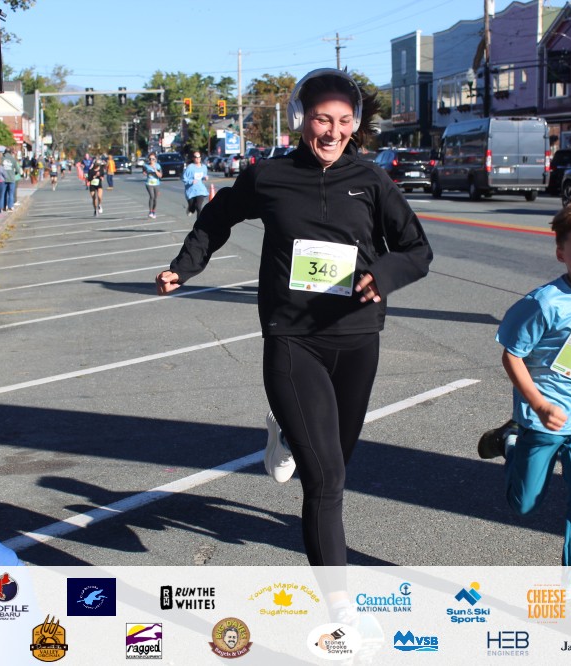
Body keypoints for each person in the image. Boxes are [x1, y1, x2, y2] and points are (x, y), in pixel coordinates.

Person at [155, 69, 432, 568]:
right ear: (301, 118)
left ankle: (285, 432)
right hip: (292, 337)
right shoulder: (269, 176)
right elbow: (217, 218)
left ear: (355, 123)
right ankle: (338, 605)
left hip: (357, 337)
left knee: (335, 464)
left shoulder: (370, 180)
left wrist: (384, 274)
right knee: (326, 481)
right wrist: (184, 266)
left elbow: (416, 249)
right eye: (323, 119)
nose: (333, 132)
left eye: (343, 121)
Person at [478, 198, 571, 572]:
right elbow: (512, 356)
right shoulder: (544, 303)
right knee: (524, 505)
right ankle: (511, 442)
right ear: (561, 253)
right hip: (544, 421)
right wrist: (540, 405)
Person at [182, 151, 209, 218]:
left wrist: (205, 177)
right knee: (192, 208)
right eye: (196, 157)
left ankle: (199, 223)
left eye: (199, 157)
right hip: (191, 190)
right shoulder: (190, 167)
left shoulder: (204, 167)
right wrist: (191, 181)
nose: (197, 158)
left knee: (199, 207)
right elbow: (184, 178)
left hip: (200, 190)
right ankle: (191, 209)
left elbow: (204, 176)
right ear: (193, 158)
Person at [143, 152, 162, 218]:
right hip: (149, 184)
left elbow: (160, 175)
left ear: (155, 159)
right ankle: (150, 212)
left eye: (153, 159)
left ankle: (154, 211)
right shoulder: (146, 165)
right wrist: (145, 172)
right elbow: (144, 172)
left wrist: (155, 170)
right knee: (152, 196)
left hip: (156, 184)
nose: (151, 160)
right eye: (150, 159)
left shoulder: (158, 166)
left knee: (155, 198)